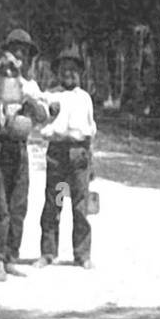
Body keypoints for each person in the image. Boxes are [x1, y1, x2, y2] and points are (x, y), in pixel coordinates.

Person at [0, 29, 49, 281]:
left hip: (18, 145)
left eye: (25, 51)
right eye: (15, 49)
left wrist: (35, 108)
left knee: (18, 203)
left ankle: (10, 256)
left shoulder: (31, 84)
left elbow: (43, 115)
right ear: (6, 51)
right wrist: (8, 70)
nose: (20, 55)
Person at [37, 48, 96, 269]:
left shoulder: (85, 98)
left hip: (79, 155)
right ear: (57, 72)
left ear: (80, 73)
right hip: (58, 154)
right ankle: (48, 252)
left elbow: (90, 131)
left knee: (81, 205)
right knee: (55, 201)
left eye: (73, 70)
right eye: (64, 70)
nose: (69, 74)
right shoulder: (51, 95)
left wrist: (91, 160)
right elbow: (38, 116)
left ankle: (82, 254)